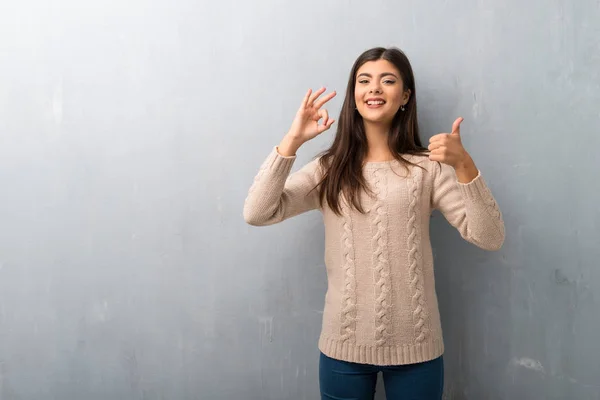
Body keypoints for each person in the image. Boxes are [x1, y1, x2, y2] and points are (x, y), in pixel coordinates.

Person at [243, 46, 505, 400]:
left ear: (405, 96)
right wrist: (292, 141)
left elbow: (489, 237)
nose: (374, 88)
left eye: (388, 80)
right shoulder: (328, 169)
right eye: (364, 80)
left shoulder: (428, 168)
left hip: (418, 349)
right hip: (343, 349)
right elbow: (258, 212)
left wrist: (465, 167)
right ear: (353, 96)